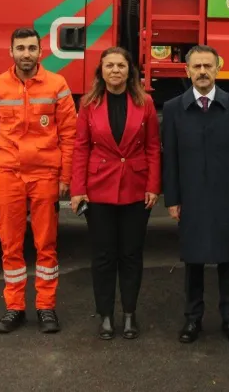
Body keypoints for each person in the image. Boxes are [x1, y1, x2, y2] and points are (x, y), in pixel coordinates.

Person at [0, 27, 78, 334]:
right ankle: (15, 308)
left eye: (31, 48)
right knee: (10, 245)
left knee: (46, 244)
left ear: (41, 52)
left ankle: (46, 307)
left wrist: (65, 176)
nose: (26, 53)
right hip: (8, 174)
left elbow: (69, 135)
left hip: (45, 175)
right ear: (11, 52)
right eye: (20, 48)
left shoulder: (57, 85)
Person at [162, 45, 229, 344]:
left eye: (208, 66)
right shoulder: (175, 108)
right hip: (190, 196)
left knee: (228, 260)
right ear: (187, 71)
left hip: (227, 195)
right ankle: (193, 319)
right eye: (197, 66)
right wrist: (173, 199)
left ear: (217, 69)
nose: (202, 72)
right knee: (194, 261)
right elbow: (170, 158)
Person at [70, 47, 161, 340]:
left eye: (121, 65)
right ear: (101, 71)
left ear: (129, 70)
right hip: (98, 190)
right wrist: (78, 190)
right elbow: (81, 147)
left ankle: (130, 314)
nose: (115, 71)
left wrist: (152, 186)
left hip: (136, 190)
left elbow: (152, 148)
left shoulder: (145, 102)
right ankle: (106, 316)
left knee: (131, 255)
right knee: (104, 256)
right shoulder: (88, 104)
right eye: (109, 65)